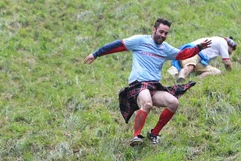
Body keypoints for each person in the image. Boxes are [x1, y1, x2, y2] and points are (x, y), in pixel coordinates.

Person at [84, 18, 211, 146]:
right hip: (139, 83)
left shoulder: (165, 48)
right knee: (147, 103)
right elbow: (118, 45)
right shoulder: (140, 41)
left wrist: (199, 47)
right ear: (154, 29)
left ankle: (154, 133)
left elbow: (183, 55)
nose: (163, 35)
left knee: (173, 102)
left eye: (166, 33)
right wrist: (96, 54)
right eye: (161, 32)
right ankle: (136, 136)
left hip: (154, 86)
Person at [167, 36, 237, 83]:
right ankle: (181, 77)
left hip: (198, 60)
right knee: (191, 65)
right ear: (229, 45)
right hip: (193, 52)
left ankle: (195, 80)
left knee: (216, 71)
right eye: (232, 49)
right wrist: (230, 73)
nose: (231, 52)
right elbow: (227, 63)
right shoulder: (223, 42)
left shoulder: (216, 41)